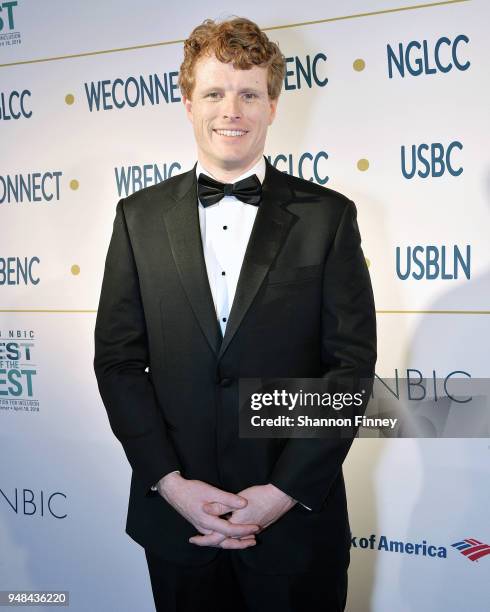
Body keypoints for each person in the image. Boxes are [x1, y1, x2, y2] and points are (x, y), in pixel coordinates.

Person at [94, 16, 376, 612]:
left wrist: (279, 493)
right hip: (178, 526)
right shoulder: (136, 219)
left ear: (273, 106)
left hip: (295, 526)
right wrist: (171, 485)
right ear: (187, 101)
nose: (232, 109)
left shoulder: (329, 217)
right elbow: (119, 363)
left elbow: (349, 369)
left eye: (250, 93)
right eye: (215, 92)